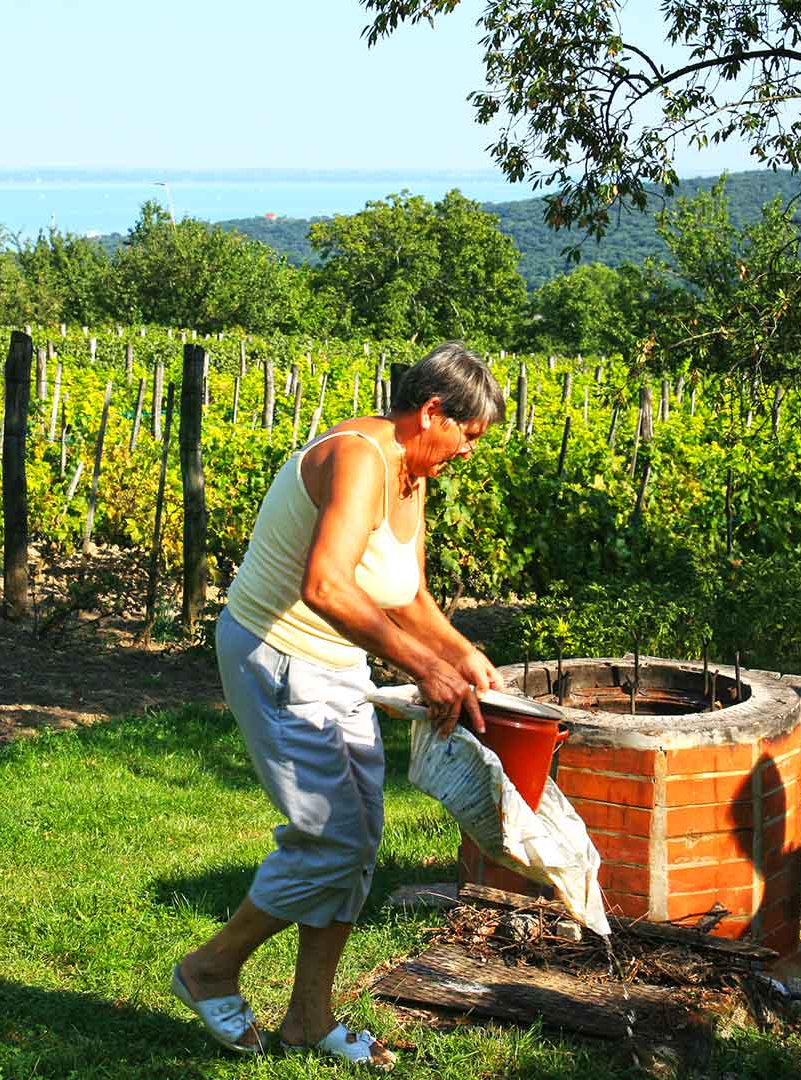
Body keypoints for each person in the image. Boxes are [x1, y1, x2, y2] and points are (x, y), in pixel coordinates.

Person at [169, 342, 506, 1070]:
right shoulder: (358, 458)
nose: (468, 454)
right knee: (332, 840)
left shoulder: (413, 475)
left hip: (336, 663)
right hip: (279, 657)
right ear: (431, 412)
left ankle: (308, 1019)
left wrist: (458, 651)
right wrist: (421, 666)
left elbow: (406, 595)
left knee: (358, 844)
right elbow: (327, 585)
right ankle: (209, 969)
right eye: (468, 436)